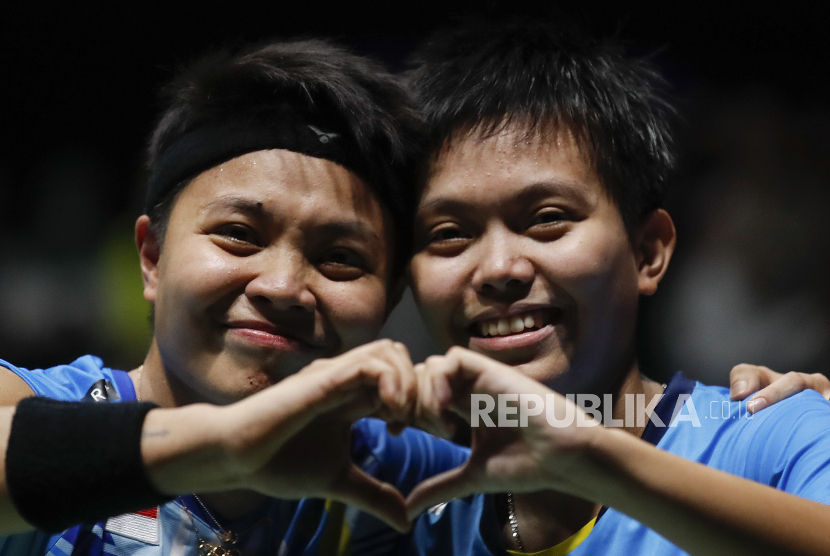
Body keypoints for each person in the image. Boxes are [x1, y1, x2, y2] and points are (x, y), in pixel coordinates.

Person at [0, 38, 467, 556]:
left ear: (390, 297)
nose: (283, 286)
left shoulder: (396, 470)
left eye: (340, 258)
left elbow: (563, 435)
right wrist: (226, 445)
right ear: (152, 257)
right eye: (240, 234)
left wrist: (510, 417)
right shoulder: (39, 404)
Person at [399, 18, 830, 556]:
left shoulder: (775, 438)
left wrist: (593, 457)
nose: (498, 268)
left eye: (546, 219)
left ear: (647, 252)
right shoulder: (403, 506)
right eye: (449, 233)